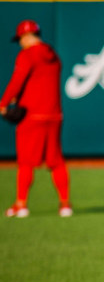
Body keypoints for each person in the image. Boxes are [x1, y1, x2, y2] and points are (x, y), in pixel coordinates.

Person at [1, 20, 70, 218]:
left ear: (26, 36)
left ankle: (21, 204)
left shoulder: (27, 55)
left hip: (31, 115)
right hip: (54, 114)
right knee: (56, 161)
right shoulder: (53, 55)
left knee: (25, 162)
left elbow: (17, 81)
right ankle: (65, 205)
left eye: (20, 39)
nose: (20, 43)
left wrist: (3, 103)